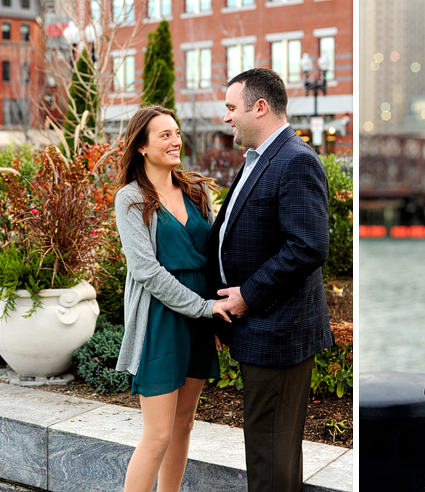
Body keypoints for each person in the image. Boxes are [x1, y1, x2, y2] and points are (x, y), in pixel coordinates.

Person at [208, 67, 333, 492]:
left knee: (270, 458)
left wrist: (246, 297)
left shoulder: (295, 161)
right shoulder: (259, 158)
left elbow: (308, 246)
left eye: (231, 108)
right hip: (260, 329)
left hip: (278, 333)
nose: (226, 117)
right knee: (270, 453)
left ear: (259, 107)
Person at [113, 105, 230, 492]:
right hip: (161, 320)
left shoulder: (196, 191)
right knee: (158, 434)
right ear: (142, 147)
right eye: (164, 134)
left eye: (176, 133)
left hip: (200, 318)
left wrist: (212, 311)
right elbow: (146, 271)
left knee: (184, 424)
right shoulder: (130, 199)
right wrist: (204, 307)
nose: (175, 140)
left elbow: (213, 257)